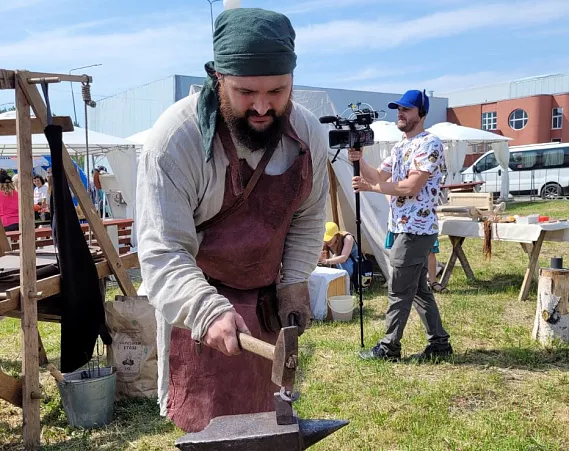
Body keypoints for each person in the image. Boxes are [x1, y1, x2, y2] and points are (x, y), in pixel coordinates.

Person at [136, 8, 329, 433]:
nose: (262, 107)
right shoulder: (175, 141)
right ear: (217, 77)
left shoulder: (308, 134)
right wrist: (206, 311)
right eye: (245, 92)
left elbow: (309, 213)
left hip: (266, 308)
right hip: (198, 308)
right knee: (212, 432)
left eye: (277, 91)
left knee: (267, 422)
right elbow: (161, 251)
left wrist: (294, 280)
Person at [349, 89, 452, 361]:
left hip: (416, 229)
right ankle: (440, 344)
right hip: (401, 227)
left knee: (398, 289)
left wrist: (371, 188)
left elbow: (411, 186)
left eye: (406, 109)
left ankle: (389, 347)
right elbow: (380, 175)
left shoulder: (429, 144)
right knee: (418, 291)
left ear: (422, 113)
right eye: (399, 109)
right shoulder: (399, 147)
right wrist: (360, 160)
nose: (401, 113)